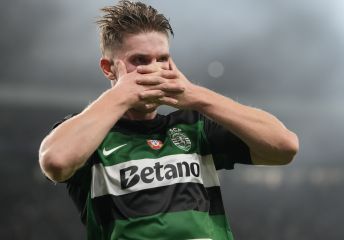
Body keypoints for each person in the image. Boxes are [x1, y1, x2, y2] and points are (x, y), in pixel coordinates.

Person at [38, 1, 299, 239]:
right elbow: (56, 162)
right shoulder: (90, 134)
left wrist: (197, 96)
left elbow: (284, 146)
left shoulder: (195, 126)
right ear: (109, 68)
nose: (154, 69)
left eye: (162, 59)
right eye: (139, 61)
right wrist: (119, 95)